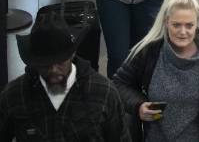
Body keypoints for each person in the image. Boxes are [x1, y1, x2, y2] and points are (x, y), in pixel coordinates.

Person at [111, 0, 199, 141]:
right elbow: (118, 84)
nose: (183, 32)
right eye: (176, 25)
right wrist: (138, 105)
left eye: (189, 25)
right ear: (166, 23)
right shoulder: (150, 52)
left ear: (197, 25)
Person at [0, 15, 130, 141]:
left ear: (72, 54)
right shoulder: (14, 95)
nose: (53, 70)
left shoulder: (104, 93)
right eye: (45, 64)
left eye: (60, 61)